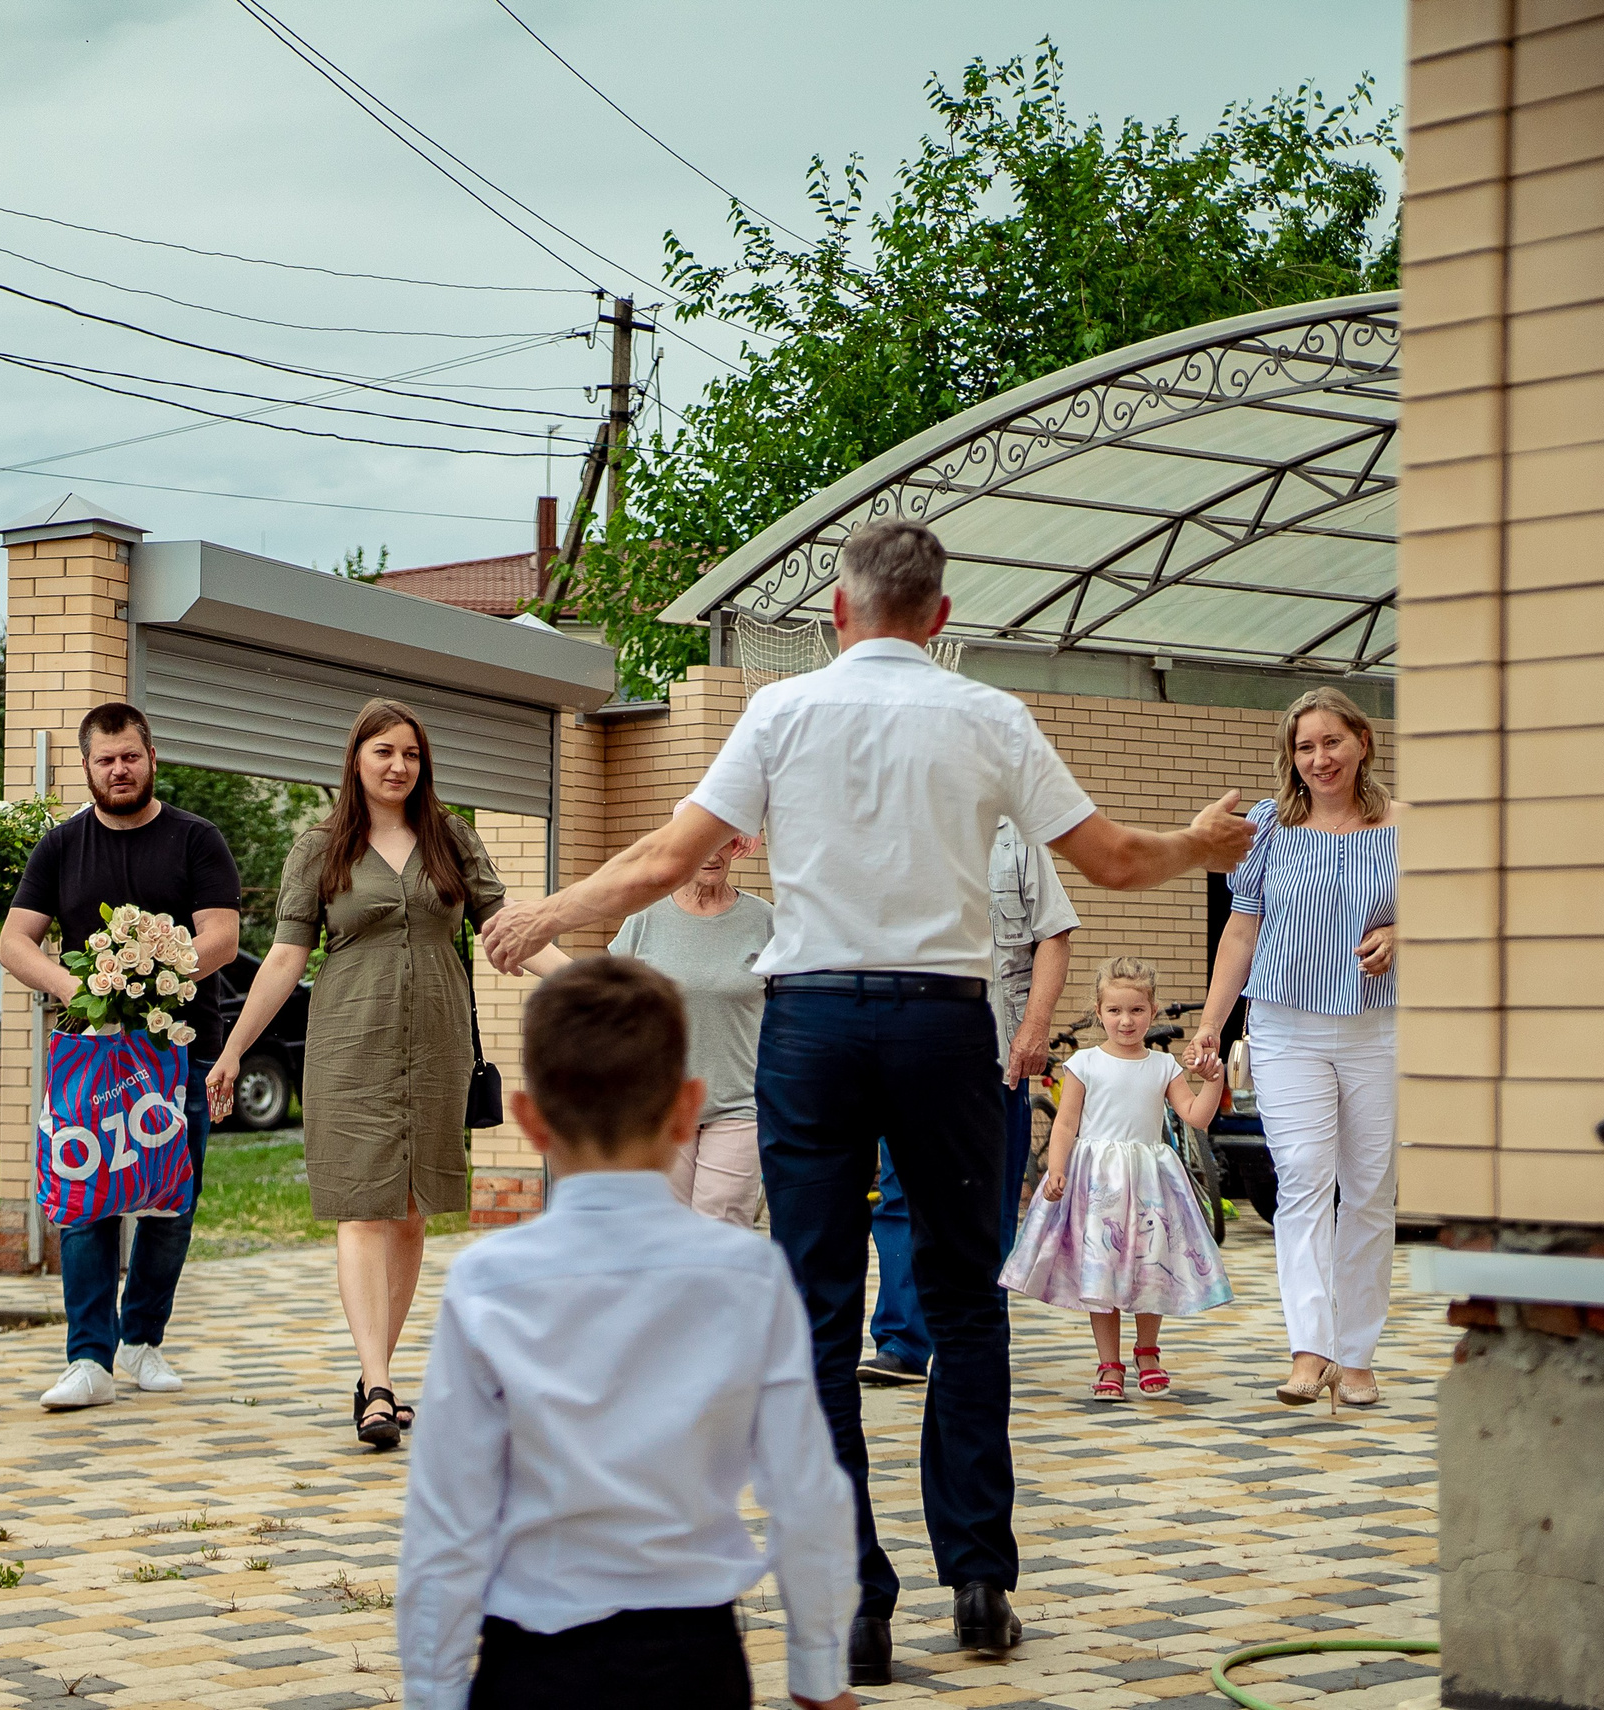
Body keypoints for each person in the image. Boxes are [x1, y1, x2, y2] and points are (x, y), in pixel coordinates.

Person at [480, 517, 1254, 1681]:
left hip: (814, 1027)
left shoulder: (781, 712)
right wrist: (1200, 846)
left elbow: (659, 855)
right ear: (941, 620)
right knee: (963, 1302)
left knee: (816, 1313)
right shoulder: (988, 714)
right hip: (946, 1026)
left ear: (835, 614)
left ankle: (853, 1608)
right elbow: (1108, 862)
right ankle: (982, 1584)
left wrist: (547, 911)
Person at [396, 957, 859, 1710]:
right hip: (694, 1661)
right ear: (688, 1108)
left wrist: (432, 1692)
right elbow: (806, 1489)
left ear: (529, 1117)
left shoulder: (488, 1283)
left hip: (534, 1662)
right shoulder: (748, 1275)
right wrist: (817, 1669)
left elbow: (448, 1515)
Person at [208, 698, 566, 1449]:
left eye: (409, 753)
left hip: (435, 1045)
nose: (398, 765)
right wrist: (235, 1047)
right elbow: (283, 958)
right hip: (350, 1043)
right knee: (363, 1207)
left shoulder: (452, 840)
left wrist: (587, 989)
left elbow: (507, 931)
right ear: (358, 761)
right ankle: (376, 1384)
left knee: (408, 1210)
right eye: (383, 753)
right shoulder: (319, 848)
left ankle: (380, 1371)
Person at [3, 702, 244, 1411]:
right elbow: (16, 940)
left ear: (151, 756)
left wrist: (149, 981)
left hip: (179, 1054)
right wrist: (75, 987)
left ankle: (141, 1341)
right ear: (86, 766)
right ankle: (88, 1359)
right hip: (91, 1057)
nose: (119, 770)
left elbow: (223, 938)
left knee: (170, 1201)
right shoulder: (61, 846)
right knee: (85, 1200)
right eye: (105, 759)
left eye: (130, 756)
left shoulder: (196, 840)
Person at [1190, 686, 1397, 1408]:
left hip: (1378, 1028)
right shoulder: (1266, 826)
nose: (1319, 759)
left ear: (1361, 742)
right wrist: (1213, 1023)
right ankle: (1310, 1351)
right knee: (1304, 1181)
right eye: (1305, 747)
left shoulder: (1408, 827)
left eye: (1331, 742)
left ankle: (1357, 1353)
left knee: (1368, 1192)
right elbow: (1241, 930)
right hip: (1284, 1027)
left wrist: (1405, 934)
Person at [860, 818, 1079, 1387]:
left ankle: (975, 1344)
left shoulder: (1015, 837)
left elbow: (1052, 934)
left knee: (987, 1211)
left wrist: (1035, 1027)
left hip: (995, 1057)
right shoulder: (889, 827)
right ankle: (902, 1345)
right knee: (900, 1200)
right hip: (904, 1055)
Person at [1000, 957, 1232, 1399]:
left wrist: (1212, 1081)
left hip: (1148, 1183)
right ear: (1099, 1011)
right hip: (1098, 1184)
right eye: (1115, 1011)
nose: (1126, 1021)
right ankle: (1109, 1363)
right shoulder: (1085, 1064)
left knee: (1151, 1265)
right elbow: (1066, 1124)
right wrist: (1058, 1167)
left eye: (1137, 1011)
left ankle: (1148, 1352)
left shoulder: (1163, 1068)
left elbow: (1195, 1118)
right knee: (1101, 1267)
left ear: (1153, 1010)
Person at [604, 814, 771, 1226]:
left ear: (737, 846)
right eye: (700, 843)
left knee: (721, 1229)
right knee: (667, 1230)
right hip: (662, 1103)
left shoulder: (765, 920)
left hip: (740, 1103)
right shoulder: (644, 918)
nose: (712, 855)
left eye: (722, 843)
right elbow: (614, 1001)